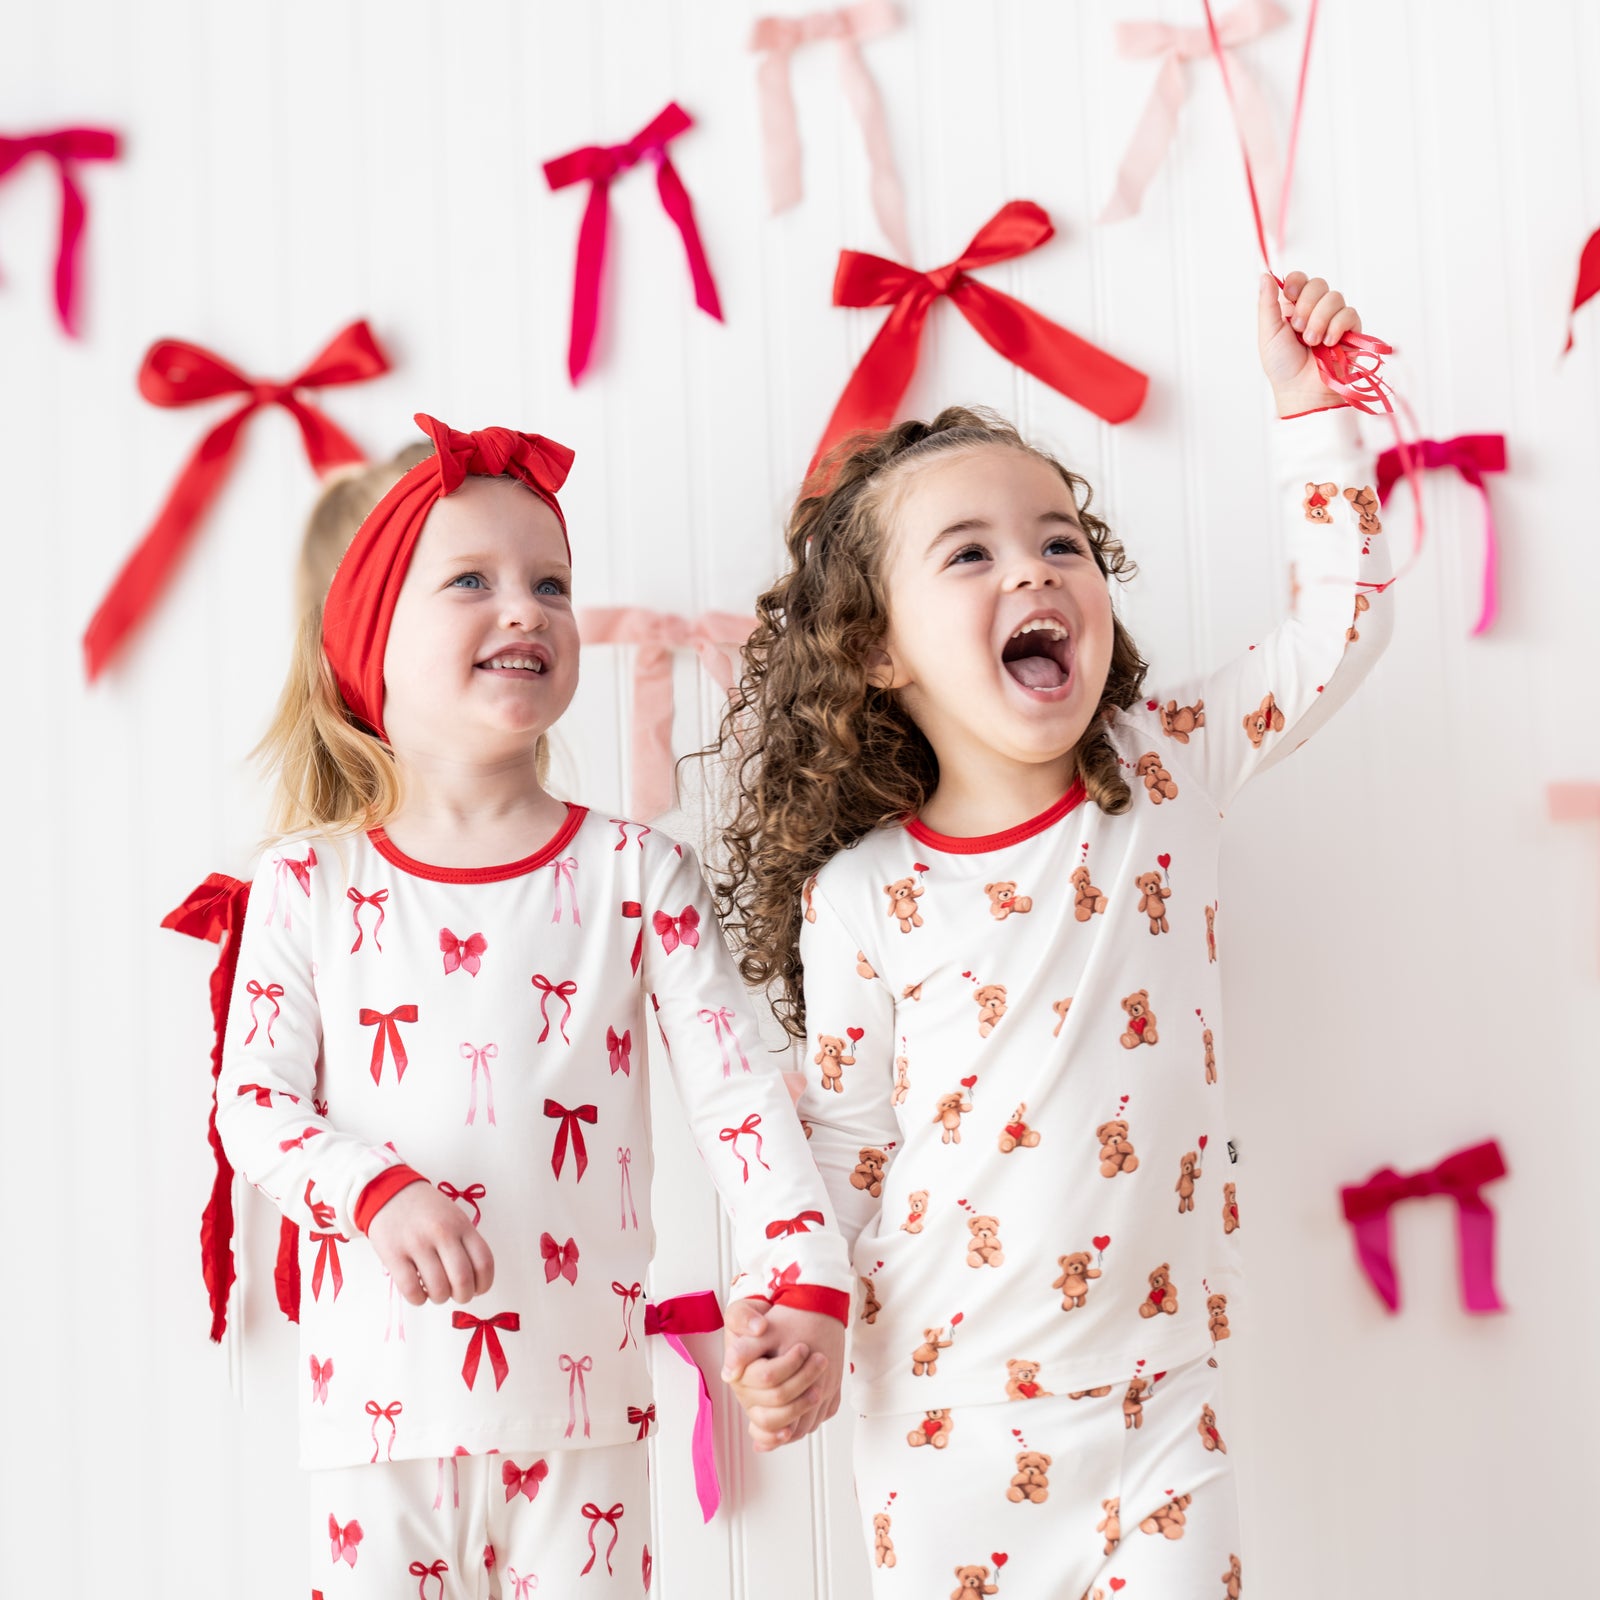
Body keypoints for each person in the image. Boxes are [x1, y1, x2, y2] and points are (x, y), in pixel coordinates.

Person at [716, 273, 1391, 1595]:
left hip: (1163, 1396)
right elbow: (847, 1137)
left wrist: (1310, 414)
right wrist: (793, 1305)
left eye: (1063, 540)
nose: (1031, 565)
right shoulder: (861, 892)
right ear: (878, 653)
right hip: (946, 1411)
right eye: (968, 552)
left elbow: (1336, 631)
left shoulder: (1164, 766)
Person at [214, 413, 851, 1595]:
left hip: (583, 1416)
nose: (528, 608)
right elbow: (251, 1104)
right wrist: (374, 1188)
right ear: (373, 641)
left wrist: (805, 1275)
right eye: (473, 580)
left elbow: (739, 1096)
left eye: (551, 582)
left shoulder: (633, 873)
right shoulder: (309, 883)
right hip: (378, 1417)